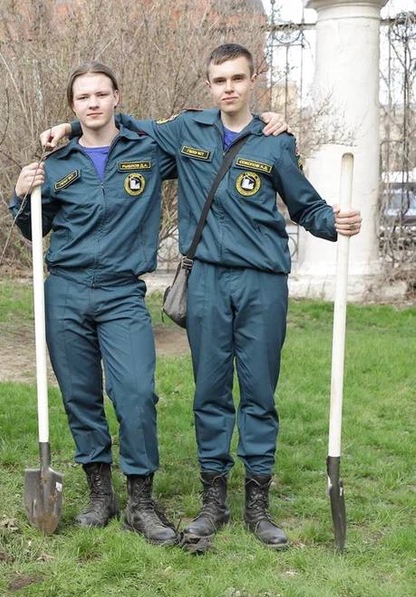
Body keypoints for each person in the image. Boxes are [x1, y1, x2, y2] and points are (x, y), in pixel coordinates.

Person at [41, 44, 363, 549]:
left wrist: (335, 223)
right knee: (209, 392)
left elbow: (306, 205)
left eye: (237, 78)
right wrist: (67, 128)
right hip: (206, 280)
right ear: (209, 84)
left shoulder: (276, 142)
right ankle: (213, 501)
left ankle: (257, 503)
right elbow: (118, 125)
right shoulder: (185, 132)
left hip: (262, 281)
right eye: (219, 80)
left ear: (254, 79)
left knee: (258, 392)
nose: (228, 88)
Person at [12, 62, 179, 545]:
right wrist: (21, 194)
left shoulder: (147, 153)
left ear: (116, 99)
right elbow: (30, 229)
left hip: (121, 291)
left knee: (135, 393)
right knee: (80, 396)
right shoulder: (57, 165)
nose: (92, 103)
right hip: (64, 290)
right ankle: (101, 496)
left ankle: (141, 503)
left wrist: (264, 118)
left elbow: (196, 131)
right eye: (83, 97)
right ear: (72, 105)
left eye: (101, 95)